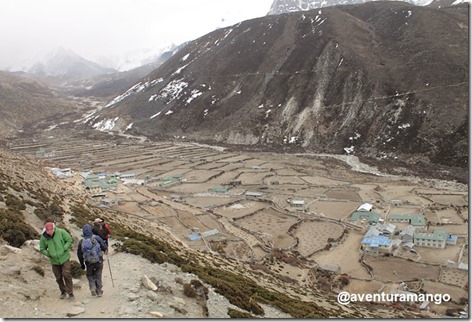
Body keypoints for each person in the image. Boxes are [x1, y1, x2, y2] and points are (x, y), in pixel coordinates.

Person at [39, 222, 75, 300]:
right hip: (54, 260)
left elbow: (69, 240)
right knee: (58, 277)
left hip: (64, 257)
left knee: (67, 274)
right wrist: (48, 254)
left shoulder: (61, 232)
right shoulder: (43, 237)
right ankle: (63, 291)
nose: (50, 232)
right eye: (48, 231)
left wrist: (65, 248)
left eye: (51, 230)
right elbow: (42, 248)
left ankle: (70, 293)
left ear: (54, 228)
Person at [77, 223, 107, 297]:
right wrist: (104, 250)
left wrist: (82, 264)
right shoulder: (96, 238)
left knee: (90, 275)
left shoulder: (81, 242)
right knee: (98, 274)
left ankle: (92, 287)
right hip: (98, 260)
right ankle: (99, 291)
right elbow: (104, 246)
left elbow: (79, 254)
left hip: (88, 261)